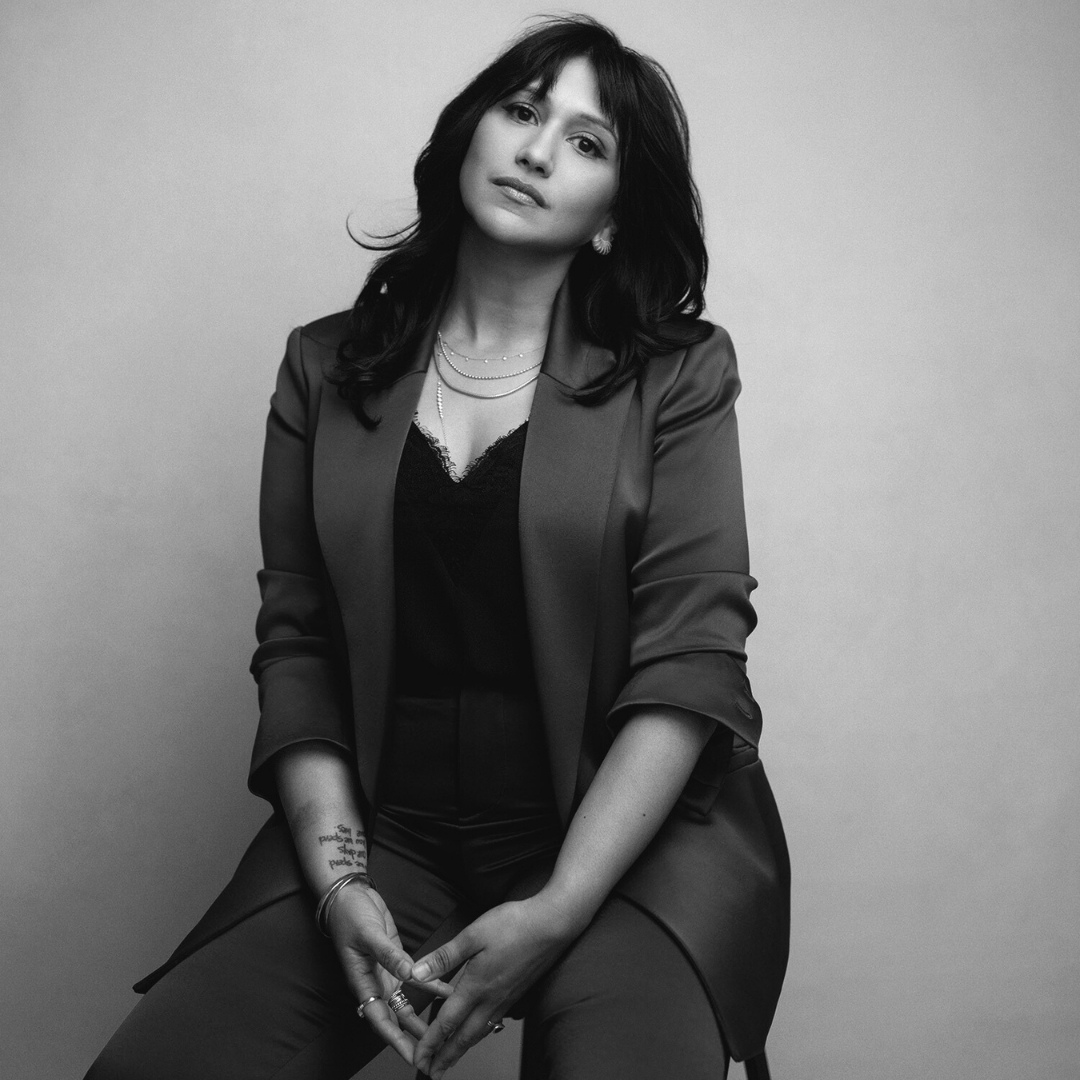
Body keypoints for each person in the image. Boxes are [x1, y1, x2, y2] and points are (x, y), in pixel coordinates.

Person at [86, 14, 789, 1080]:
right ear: (471, 133)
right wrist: (338, 882)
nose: (540, 149)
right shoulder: (326, 368)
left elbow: (691, 663)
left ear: (610, 218)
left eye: (588, 142)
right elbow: (301, 643)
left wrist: (556, 910)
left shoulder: (678, 377)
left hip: (619, 849)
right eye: (521, 111)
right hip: (389, 831)